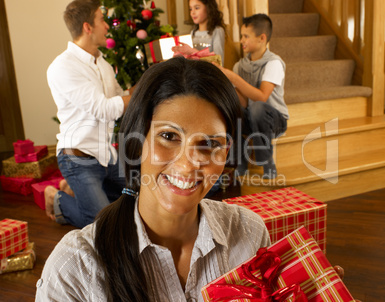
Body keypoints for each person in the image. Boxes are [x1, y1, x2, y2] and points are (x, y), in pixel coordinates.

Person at [35, 57, 270, 301]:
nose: (188, 165)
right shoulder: (74, 269)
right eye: (169, 136)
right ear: (136, 142)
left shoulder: (250, 235)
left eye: (210, 143)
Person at [44, 0, 134, 229]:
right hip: (78, 159)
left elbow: (119, 97)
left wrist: (137, 91)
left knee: (137, 204)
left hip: (106, 157)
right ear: (88, 27)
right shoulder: (62, 67)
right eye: (102, 20)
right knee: (104, 226)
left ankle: (76, 190)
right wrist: (137, 94)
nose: (107, 26)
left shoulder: (102, 63)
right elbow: (103, 108)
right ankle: (58, 200)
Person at [213, 14, 288, 179]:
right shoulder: (240, 66)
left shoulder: (273, 63)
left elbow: (262, 97)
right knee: (234, 110)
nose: (241, 40)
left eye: (246, 36)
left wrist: (234, 78)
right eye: (241, 36)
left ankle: (267, 161)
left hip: (274, 119)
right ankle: (239, 161)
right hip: (253, 115)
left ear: (262, 38)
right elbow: (244, 103)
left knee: (257, 107)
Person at [172, 0, 226, 65]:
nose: (192, 13)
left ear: (208, 8)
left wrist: (192, 51)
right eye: (190, 9)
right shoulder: (193, 33)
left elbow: (218, 62)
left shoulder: (217, 31)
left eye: (197, 8)